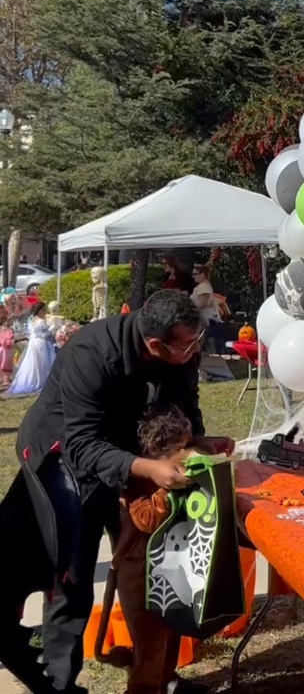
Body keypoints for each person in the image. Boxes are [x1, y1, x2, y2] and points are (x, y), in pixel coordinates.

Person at [0, 290, 235, 694]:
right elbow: (81, 444)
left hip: (134, 460)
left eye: (198, 341)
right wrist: (148, 468)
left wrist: (196, 439)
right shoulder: (90, 353)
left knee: (155, 575)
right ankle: (59, 686)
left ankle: (155, 679)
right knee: (70, 584)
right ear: (156, 343)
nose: (195, 350)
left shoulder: (181, 349)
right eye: (188, 346)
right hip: (67, 467)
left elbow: (184, 401)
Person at [115, 405, 199, 694]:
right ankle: (144, 688)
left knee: (171, 629)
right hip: (138, 570)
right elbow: (147, 519)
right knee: (149, 640)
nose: (185, 453)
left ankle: (166, 680)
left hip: (166, 564)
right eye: (179, 448)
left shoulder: (169, 465)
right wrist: (167, 488)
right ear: (155, 450)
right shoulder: (136, 479)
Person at [7, 302, 57, 396]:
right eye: (43, 310)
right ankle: (40, 381)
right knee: (42, 363)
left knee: (34, 363)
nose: (45, 311)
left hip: (33, 344)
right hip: (41, 343)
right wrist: (53, 328)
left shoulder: (32, 320)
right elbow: (43, 334)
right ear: (39, 311)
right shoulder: (40, 321)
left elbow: (30, 334)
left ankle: (34, 380)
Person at [0, 309, 14, 388]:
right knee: (6, 364)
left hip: (3, 348)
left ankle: (3, 379)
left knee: (2, 363)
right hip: (5, 349)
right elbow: (9, 340)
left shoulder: (6, 329)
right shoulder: (7, 330)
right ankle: (5, 380)